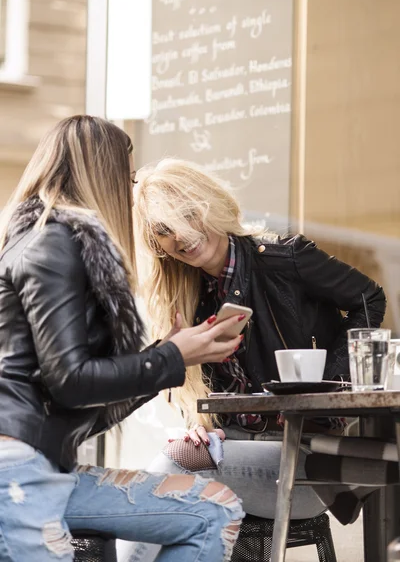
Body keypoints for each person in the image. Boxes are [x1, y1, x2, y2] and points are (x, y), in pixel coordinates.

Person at [0, 117, 245, 562]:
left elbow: (71, 388)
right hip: (16, 472)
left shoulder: (38, 240)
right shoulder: (53, 242)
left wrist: (167, 357)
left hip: (44, 467)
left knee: (212, 508)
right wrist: (171, 356)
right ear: (103, 173)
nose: (130, 190)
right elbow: (70, 381)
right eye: (128, 176)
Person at [129, 157, 386, 545]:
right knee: (174, 486)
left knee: (168, 473)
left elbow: (370, 297)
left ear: (211, 204)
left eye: (187, 215)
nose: (182, 235)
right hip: (237, 450)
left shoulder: (285, 260)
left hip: (306, 460)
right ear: (157, 245)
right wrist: (198, 427)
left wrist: (326, 386)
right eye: (165, 230)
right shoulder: (188, 296)